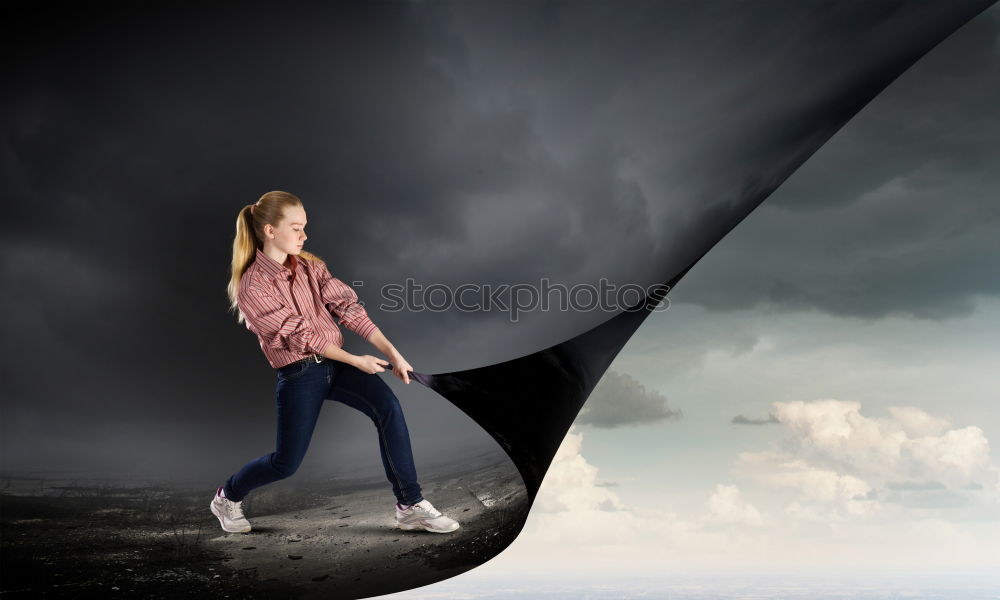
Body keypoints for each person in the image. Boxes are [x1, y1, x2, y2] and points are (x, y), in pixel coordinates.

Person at [210, 190, 459, 535]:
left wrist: (393, 354)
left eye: (304, 227)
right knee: (285, 463)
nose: (304, 235)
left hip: (334, 366)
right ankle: (227, 496)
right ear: (269, 230)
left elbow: (349, 310)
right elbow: (303, 338)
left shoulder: (312, 267)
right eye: (296, 228)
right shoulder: (252, 286)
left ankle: (409, 505)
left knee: (388, 406)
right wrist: (355, 360)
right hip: (299, 374)